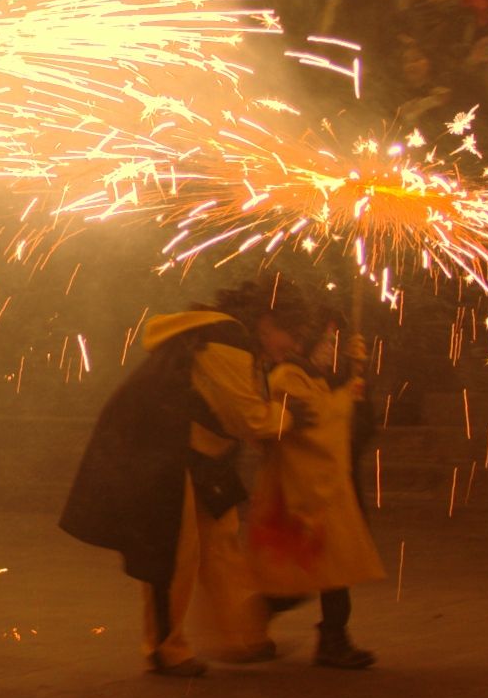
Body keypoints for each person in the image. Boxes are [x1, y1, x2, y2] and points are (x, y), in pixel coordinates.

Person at [60, 277, 305, 677]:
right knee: (176, 553)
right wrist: (288, 418)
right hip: (164, 455)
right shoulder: (226, 338)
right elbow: (245, 415)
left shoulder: (230, 339)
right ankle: (163, 648)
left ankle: (241, 636)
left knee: (220, 543)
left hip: (198, 457)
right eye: (289, 334)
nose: (292, 346)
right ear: (266, 321)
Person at [246, 310, 384, 669]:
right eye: (324, 341)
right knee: (298, 576)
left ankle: (332, 639)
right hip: (300, 491)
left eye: (334, 342)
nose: (329, 350)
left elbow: (358, 429)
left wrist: (356, 380)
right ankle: (248, 621)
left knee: (334, 574)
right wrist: (344, 392)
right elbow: (316, 423)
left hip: (330, 488)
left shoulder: (322, 378)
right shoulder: (288, 376)